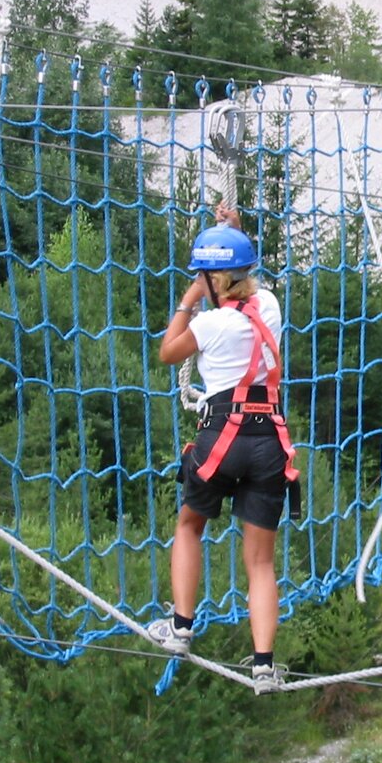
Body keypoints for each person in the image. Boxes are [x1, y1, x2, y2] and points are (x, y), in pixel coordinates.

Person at [149, 204, 298, 695]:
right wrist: (231, 234)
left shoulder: (209, 324)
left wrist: (189, 299)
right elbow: (243, 273)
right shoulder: (269, 306)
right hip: (269, 439)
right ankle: (264, 665)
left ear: (212, 280)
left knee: (190, 525)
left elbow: (167, 352)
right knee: (261, 562)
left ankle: (181, 627)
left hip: (221, 436)